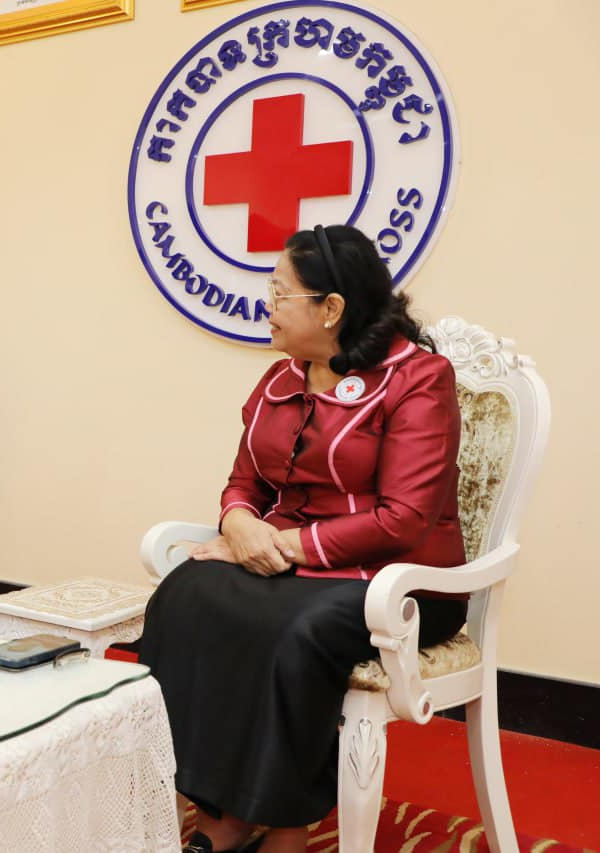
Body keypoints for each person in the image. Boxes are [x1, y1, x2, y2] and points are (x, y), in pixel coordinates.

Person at [139, 225, 469, 853]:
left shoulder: (417, 378)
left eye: (279, 293)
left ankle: (287, 824)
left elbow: (403, 519)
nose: (267, 305)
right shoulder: (281, 380)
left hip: (401, 583)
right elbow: (244, 483)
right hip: (298, 567)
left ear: (331, 308)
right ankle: (222, 808)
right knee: (185, 595)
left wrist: (281, 547)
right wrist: (239, 525)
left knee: (294, 629)